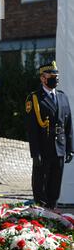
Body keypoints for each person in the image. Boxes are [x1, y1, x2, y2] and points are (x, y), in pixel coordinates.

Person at [25, 61, 73, 211]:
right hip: (43, 149)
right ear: (43, 78)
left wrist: (70, 148)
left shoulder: (62, 97)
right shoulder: (34, 98)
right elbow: (32, 129)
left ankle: (53, 210)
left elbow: (68, 125)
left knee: (55, 183)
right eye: (52, 76)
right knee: (41, 183)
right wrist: (35, 153)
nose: (55, 79)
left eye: (57, 76)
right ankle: (41, 212)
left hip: (59, 148)